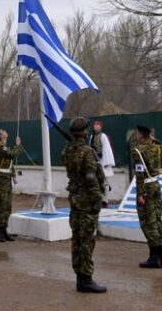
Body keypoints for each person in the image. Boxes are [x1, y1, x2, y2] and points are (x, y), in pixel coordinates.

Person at [63, 117, 107, 293]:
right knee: (87, 241)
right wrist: (98, 198)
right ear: (85, 131)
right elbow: (90, 178)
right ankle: (86, 279)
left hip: (74, 199)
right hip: (87, 201)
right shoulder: (87, 151)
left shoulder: (67, 150)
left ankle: (80, 278)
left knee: (77, 240)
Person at [132, 125, 162, 269]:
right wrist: (154, 140)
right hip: (156, 185)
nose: (136, 135)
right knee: (158, 220)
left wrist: (140, 194)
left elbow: (139, 174)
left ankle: (154, 258)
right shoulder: (156, 148)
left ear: (141, 135)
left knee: (148, 221)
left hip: (146, 187)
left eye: (137, 133)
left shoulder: (138, 151)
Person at [0, 128, 21, 242]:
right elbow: (11, 155)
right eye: (3, 130)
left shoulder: (5, 146)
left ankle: (5, 230)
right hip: (1, 179)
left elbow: (10, 163)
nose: (5, 131)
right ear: (0, 135)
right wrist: (17, 145)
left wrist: (13, 175)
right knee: (1, 205)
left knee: (8, 206)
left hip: (7, 178)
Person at [89, 120, 115, 207]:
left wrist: (107, 162)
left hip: (103, 161)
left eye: (97, 125)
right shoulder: (91, 136)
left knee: (105, 182)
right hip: (95, 161)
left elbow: (107, 149)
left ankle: (105, 200)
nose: (95, 126)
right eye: (94, 125)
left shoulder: (103, 136)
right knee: (96, 182)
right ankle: (97, 199)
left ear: (100, 126)